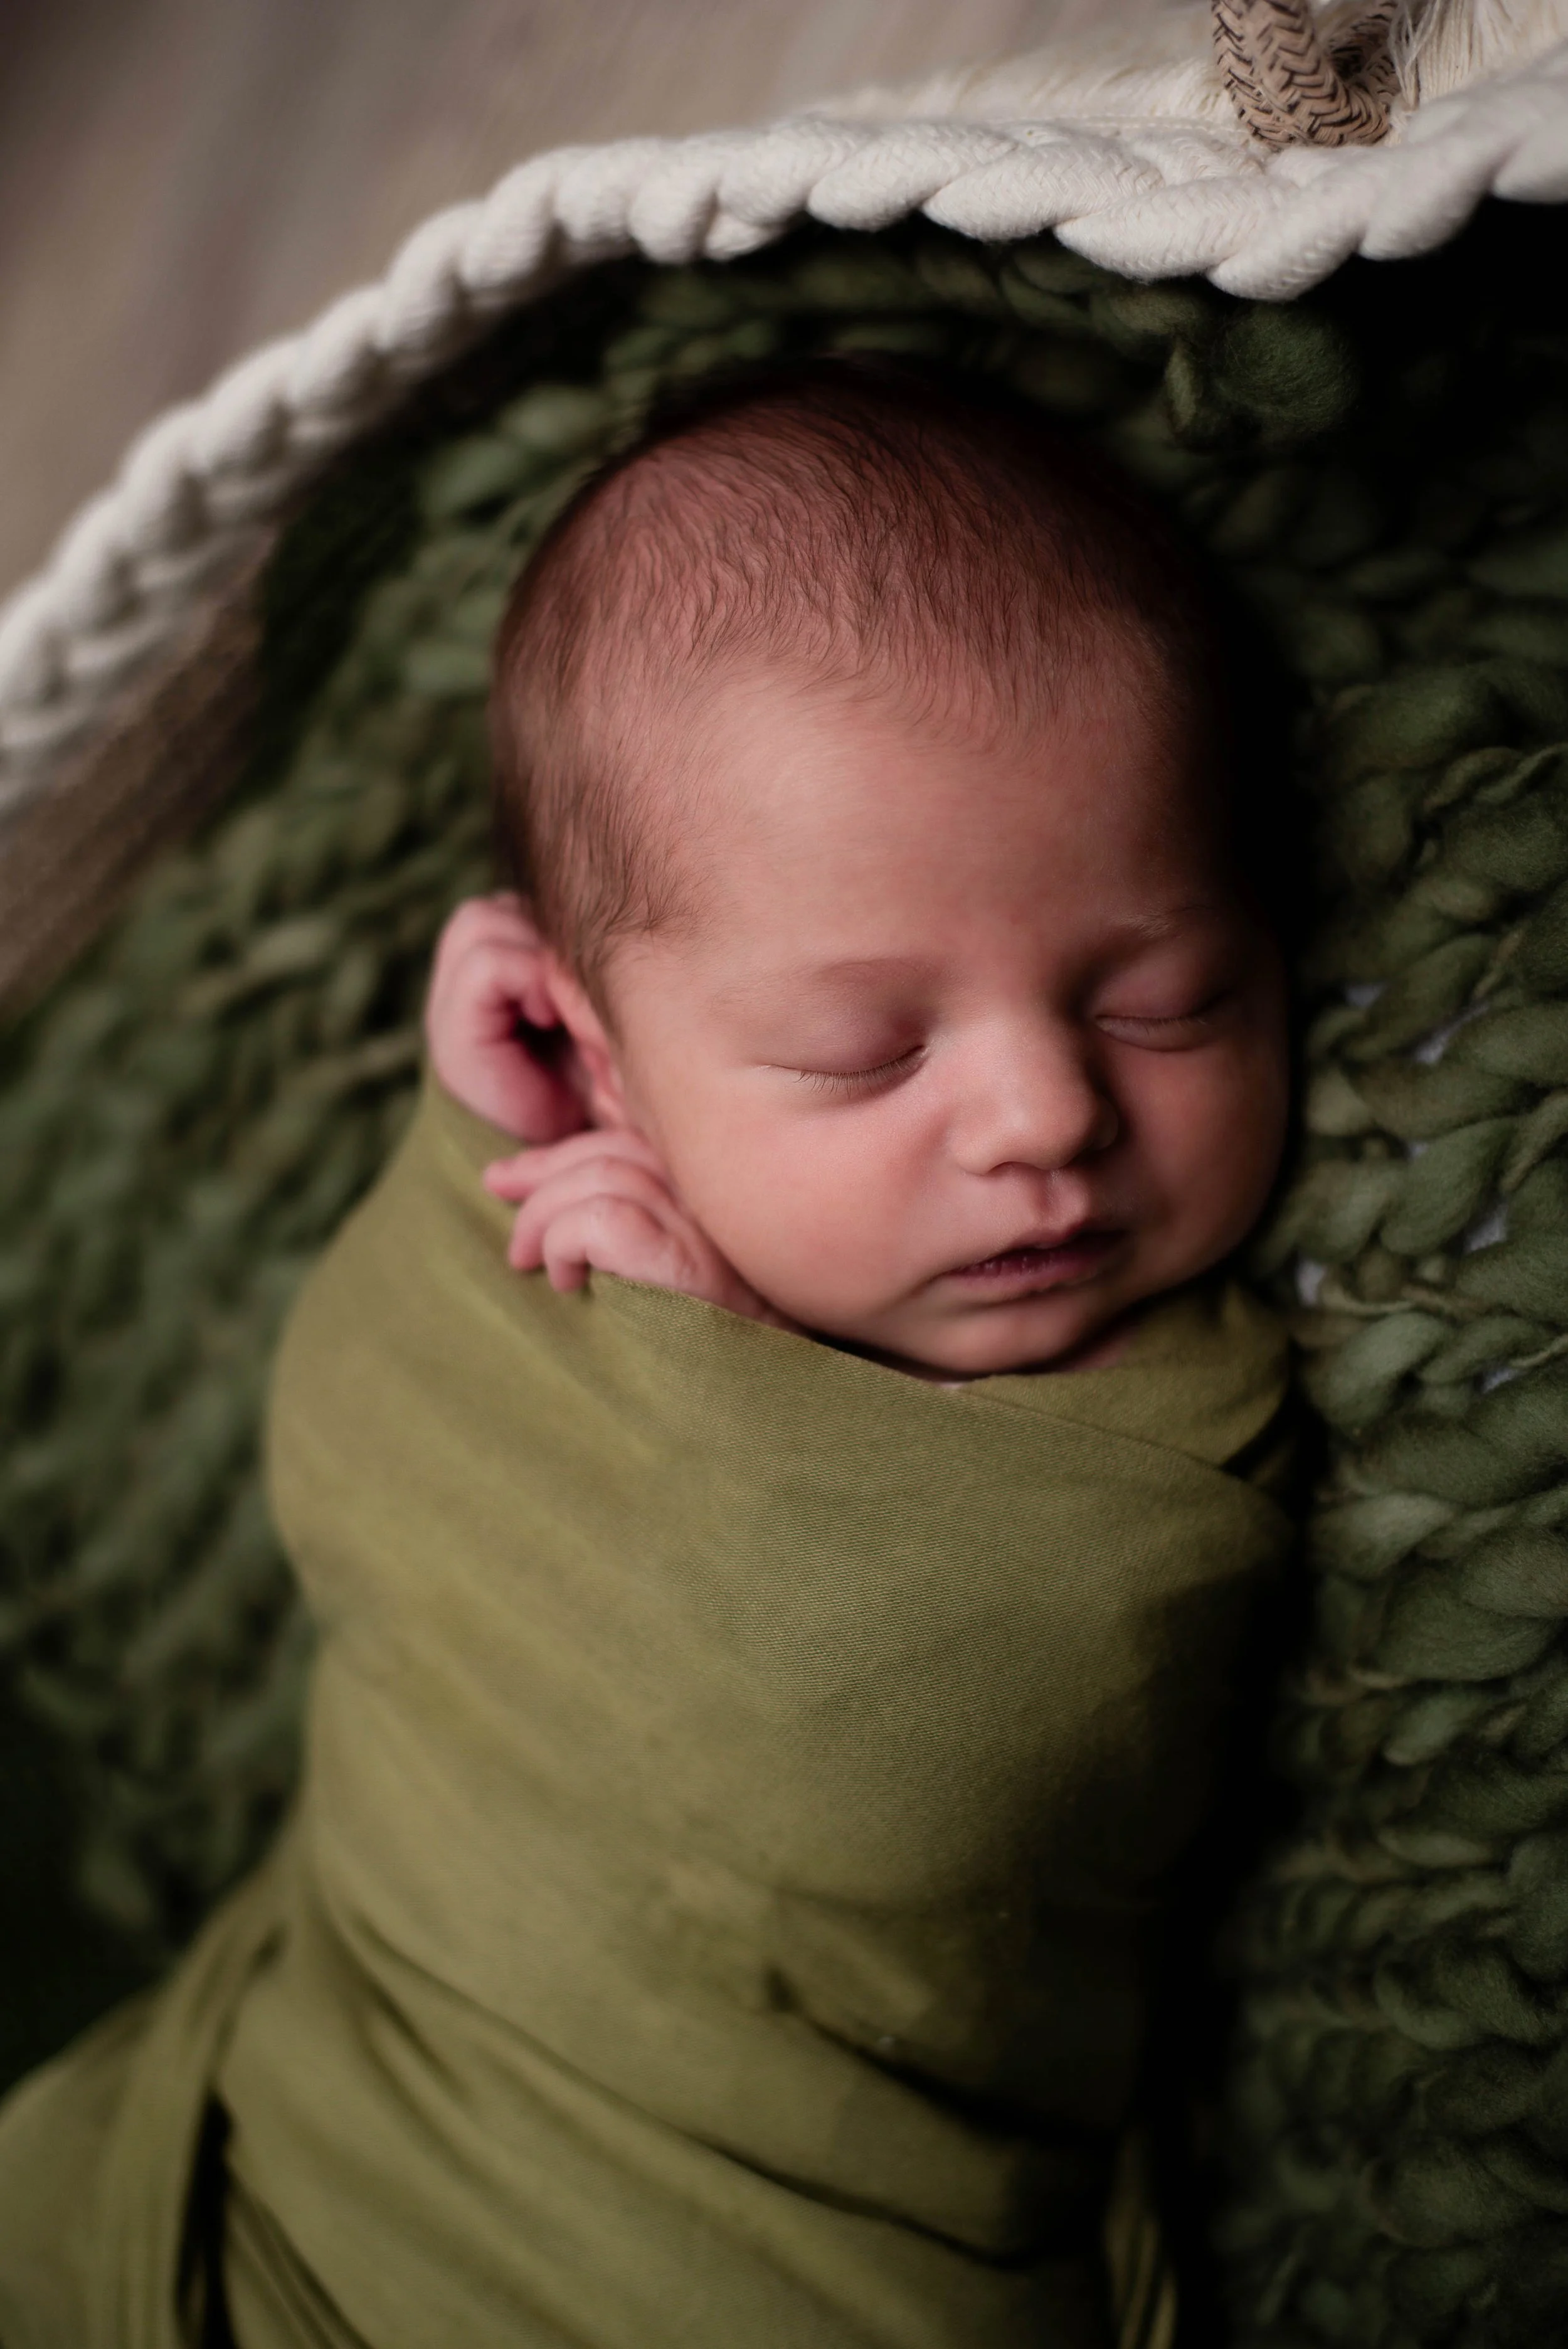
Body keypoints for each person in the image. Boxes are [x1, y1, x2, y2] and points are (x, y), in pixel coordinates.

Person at [0, 361, 1296, 2349]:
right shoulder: (560, 1193)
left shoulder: (1167, 1405)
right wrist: (477, 1158)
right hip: (297, 2128)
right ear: (587, 1043)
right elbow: (365, 1458)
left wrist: (713, 1377)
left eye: (1164, 998)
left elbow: (920, 1770)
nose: (1044, 1114)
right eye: (866, 1053)